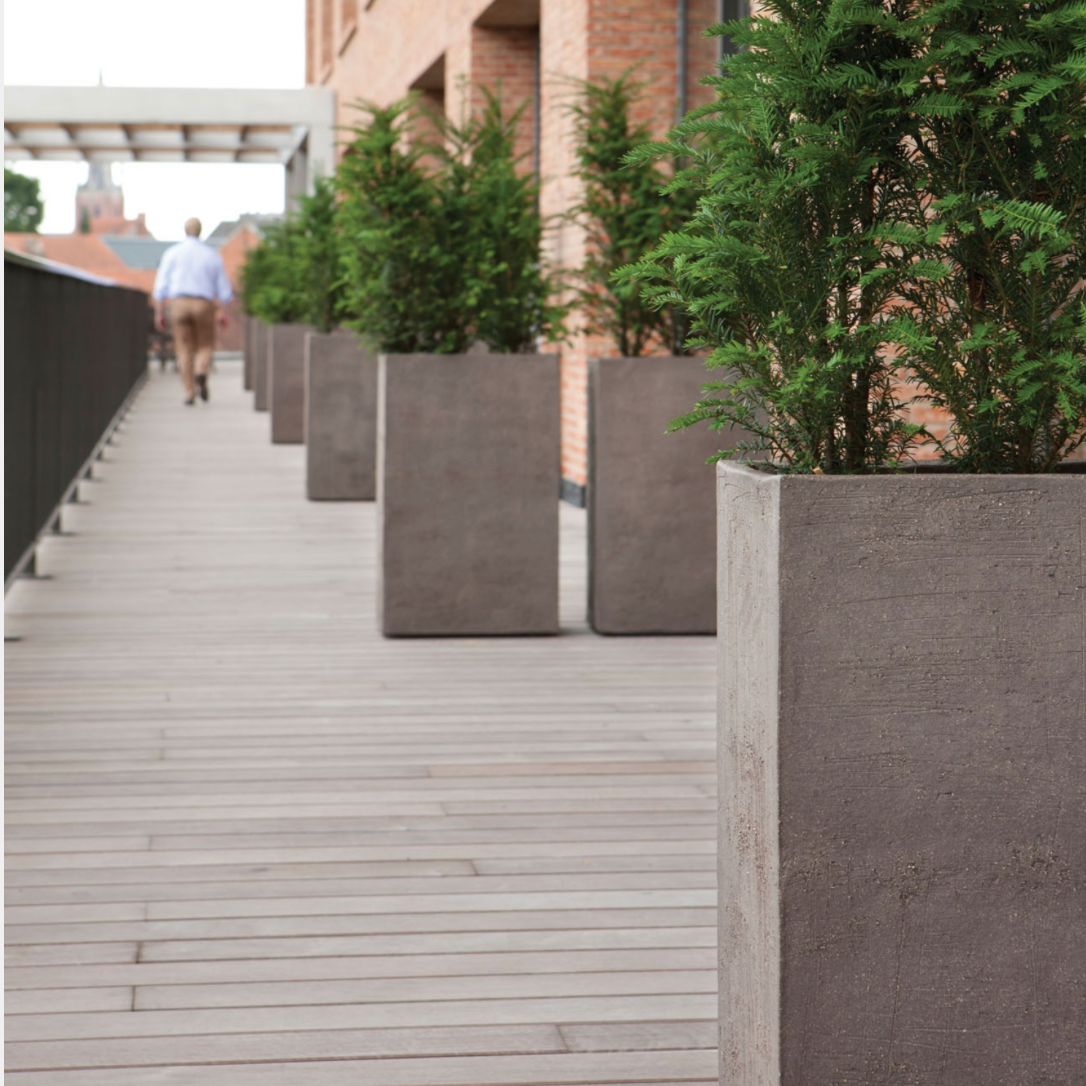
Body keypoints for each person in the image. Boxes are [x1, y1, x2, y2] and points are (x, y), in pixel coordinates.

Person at [152, 218, 234, 406]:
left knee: (183, 349)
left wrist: (159, 312)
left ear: (185, 230)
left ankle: (189, 393)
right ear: (200, 231)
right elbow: (224, 290)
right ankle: (201, 372)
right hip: (203, 303)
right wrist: (223, 311)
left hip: (179, 303)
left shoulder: (172, 253)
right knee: (205, 344)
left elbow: (160, 287)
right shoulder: (211, 255)